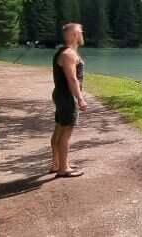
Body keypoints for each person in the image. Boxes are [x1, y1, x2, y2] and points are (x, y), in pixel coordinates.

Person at [50, 23, 88, 178]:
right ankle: (63, 169)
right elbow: (72, 79)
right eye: (80, 32)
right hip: (67, 97)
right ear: (74, 35)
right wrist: (80, 99)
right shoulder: (68, 54)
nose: (82, 34)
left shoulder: (63, 52)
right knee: (65, 132)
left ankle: (57, 163)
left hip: (61, 95)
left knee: (59, 129)